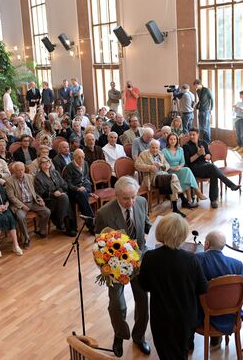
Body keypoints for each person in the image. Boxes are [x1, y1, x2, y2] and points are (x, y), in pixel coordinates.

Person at [95, 176, 152, 357]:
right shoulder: (104, 213)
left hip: (140, 260)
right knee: (116, 303)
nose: (131, 202)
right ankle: (119, 335)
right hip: (116, 265)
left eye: (133, 197)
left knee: (143, 301)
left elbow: (146, 224)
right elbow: (99, 243)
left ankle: (139, 336)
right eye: (126, 198)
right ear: (117, 195)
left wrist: (159, 230)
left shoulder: (141, 202)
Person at [138, 213, 207, 360]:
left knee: (165, 353)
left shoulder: (150, 257)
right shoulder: (192, 259)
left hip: (161, 316)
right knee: (182, 354)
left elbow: (144, 285)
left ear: (160, 232)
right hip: (185, 317)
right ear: (182, 234)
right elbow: (202, 288)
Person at [194, 231, 243, 347]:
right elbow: (242, 293)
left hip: (203, 314)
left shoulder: (197, 259)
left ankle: (189, 344)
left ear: (206, 244)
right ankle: (216, 339)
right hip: (230, 314)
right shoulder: (237, 264)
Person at [183, 128, 240, 208]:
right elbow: (188, 161)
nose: (192, 136)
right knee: (211, 167)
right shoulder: (186, 146)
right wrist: (198, 154)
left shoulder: (203, 143)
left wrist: (206, 155)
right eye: (190, 135)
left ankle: (213, 200)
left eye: (194, 135)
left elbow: (209, 156)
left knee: (213, 173)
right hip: (194, 168)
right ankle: (230, 185)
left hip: (205, 165)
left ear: (197, 135)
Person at [135, 140, 186, 217]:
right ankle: (182, 197)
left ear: (159, 148)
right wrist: (150, 167)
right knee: (173, 177)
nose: (155, 150)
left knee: (172, 182)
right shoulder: (144, 154)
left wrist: (161, 165)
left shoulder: (160, 154)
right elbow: (137, 165)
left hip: (163, 176)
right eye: (153, 148)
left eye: (156, 148)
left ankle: (175, 209)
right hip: (152, 178)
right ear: (149, 147)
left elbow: (167, 165)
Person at [6, 162, 50, 246]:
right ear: (14, 171)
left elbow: (35, 191)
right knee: (20, 217)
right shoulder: (9, 181)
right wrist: (22, 206)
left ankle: (40, 229)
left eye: (22, 169)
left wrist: (39, 199)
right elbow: (12, 197)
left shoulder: (30, 177)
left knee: (46, 211)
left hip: (32, 202)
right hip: (20, 205)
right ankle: (26, 238)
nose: (21, 172)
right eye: (18, 170)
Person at [34, 157, 77, 236]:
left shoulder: (55, 172)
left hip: (60, 197)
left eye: (48, 161)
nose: (47, 163)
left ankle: (62, 224)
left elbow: (64, 185)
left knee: (65, 197)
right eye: (43, 162)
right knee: (65, 198)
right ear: (40, 165)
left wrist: (59, 191)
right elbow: (42, 193)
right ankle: (66, 225)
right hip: (49, 200)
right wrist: (53, 194)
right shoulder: (38, 177)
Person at [163, 133, 207, 208]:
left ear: (177, 140)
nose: (173, 141)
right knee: (187, 171)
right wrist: (172, 168)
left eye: (174, 139)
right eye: (171, 139)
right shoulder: (164, 151)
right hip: (170, 171)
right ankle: (197, 192)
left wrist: (179, 167)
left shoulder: (180, 149)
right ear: (168, 140)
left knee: (186, 172)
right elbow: (164, 164)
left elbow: (183, 162)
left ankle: (189, 201)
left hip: (179, 169)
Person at [62, 149, 97, 233]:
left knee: (83, 194)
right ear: (74, 157)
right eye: (79, 158)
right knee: (82, 194)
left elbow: (86, 178)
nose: (81, 160)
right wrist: (77, 188)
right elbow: (68, 184)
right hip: (74, 191)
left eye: (82, 157)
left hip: (84, 188)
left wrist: (87, 189)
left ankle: (91, 224)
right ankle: (92, 223)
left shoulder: (85, 163)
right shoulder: (69, 167)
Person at [194, 79, 214, 145]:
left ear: (200, 84)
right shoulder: (198, 91)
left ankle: (207, 142)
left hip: (206, 111)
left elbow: (212, 99)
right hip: (200, 110)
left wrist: (211, 109)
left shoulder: (207, 90)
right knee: (201, 127)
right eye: (195, 86)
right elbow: (200, 100)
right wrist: (196, 105)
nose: (195, 87)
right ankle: (203, 142)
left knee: (206, 127)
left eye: (196, 85)